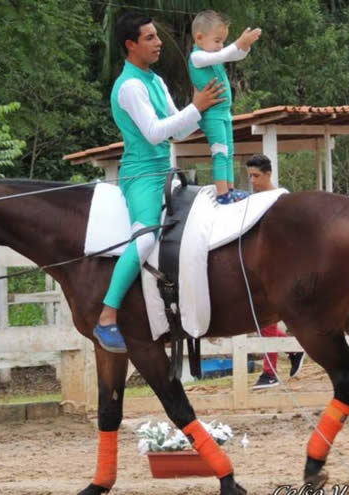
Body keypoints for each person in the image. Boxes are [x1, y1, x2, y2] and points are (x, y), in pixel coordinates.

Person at [93, 12, 226, 353]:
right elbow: (154, 134)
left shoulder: (155, 81)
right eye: (150, 38)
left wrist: (203, 110)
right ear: (130, 45)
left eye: (156, 36)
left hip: (165, 172)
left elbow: (178, 131)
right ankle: (107, 315)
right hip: (142, 177)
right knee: (144, 237)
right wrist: (195, 106)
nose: (158, 43)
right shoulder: (131, 87)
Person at [188, 10, 261, 204]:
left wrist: (244, 46)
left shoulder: (215, 56)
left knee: (229, 151)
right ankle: (222, 193)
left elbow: (235, 55)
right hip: (212, 114)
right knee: (220, 151)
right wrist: (237, 44)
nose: (220, 46)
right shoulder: (197, 58)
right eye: (218, 40)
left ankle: (229, 188)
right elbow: (227, 53)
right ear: (200, 37)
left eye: (223, 42)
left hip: (224, 113)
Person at [246, 154, 304, 389]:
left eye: (256, 176)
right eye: (250, 176)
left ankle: (271, 372)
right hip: (260, 267)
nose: (252, 181)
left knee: (265, 320)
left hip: (279, 270)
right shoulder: (253, 200)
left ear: (269, 174)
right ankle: (292, 348)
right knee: (261, 322)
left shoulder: (282, 198)